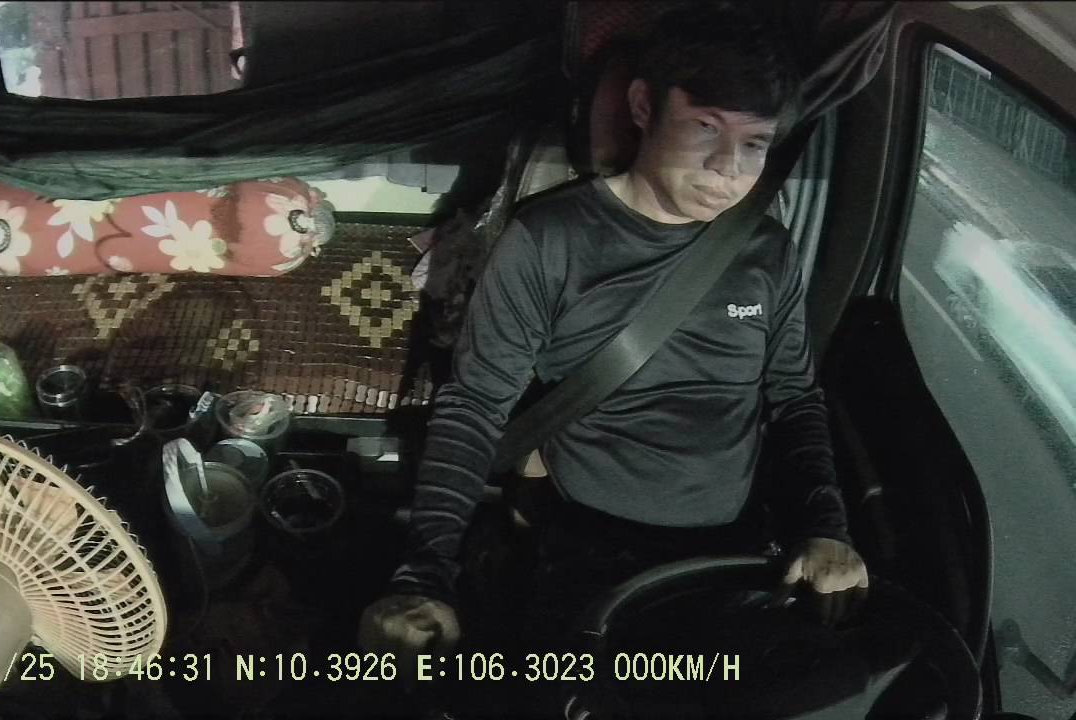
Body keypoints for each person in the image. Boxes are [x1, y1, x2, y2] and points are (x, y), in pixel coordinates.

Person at [358, 1, 869, 671]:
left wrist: (826, 527)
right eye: (705, 127)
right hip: (587, 543)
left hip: (738, 546)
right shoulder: (551, 240)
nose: (728, 168)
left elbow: (795, 397)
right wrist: (426, 572)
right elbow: (475, 405)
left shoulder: (765, 249)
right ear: (642, 106)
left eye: (754, 143)